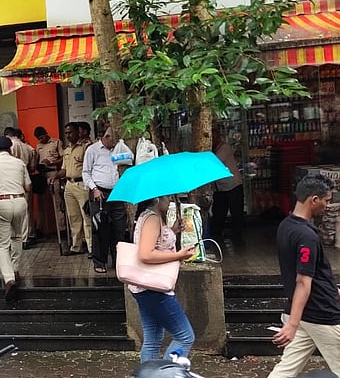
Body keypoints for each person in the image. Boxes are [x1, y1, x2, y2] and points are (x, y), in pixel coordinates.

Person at [269, 175, 340, 378]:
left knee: (286, 369)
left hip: (301, 313)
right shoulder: (306, 236)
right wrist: (291, 325)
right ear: (314, 200)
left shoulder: (286, 226)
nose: (327, 205)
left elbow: (307, 270)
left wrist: (333, 289)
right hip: (322, 314)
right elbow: (302, 280)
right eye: (326, 200)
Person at [130, 195, 195, 362]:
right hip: (155, 288)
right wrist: (178, 255)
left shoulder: (148, 216)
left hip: (144, 287)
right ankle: (167, 373)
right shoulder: (152, 218)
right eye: (167, 198)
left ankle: (149, 374)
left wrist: (172, 231)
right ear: (158, 199)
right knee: (185, 337)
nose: (169, 202)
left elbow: (156, 243)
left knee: (152, 339)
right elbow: (145, 254)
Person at [0, 136, 30, 301]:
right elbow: (28, 186)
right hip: (19, 201)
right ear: (10, 148)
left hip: (1, 202)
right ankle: (16, 269)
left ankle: (9, 278)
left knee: (2, 245)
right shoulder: (20, 163)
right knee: (17, 237)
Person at [82, 127, 128, 273]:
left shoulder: (119, 149)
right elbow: (86, 172)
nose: (114, 143)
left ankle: (118, 261)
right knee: (100, 229)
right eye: (112, 139)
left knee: (119, 228)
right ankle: (100, 261)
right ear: (106, 137)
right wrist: (94, 188)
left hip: (117, 193)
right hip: (100, 193)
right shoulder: (93, 150)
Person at [55, 122, 91, 256]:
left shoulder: (86, 147)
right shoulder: (67, 150)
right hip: (69, 185)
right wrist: (54, 177)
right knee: (73, 217)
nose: (68, 135)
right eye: (66, 133)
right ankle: (76, 246)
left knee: (86, 217)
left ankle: (91, 247)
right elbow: (64, 170)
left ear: (78, 132)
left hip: (82, 185)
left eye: (70, 132)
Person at [35, 126, 67, 253]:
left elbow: (63, 157)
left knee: (57, 202)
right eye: (38, 138)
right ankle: (45, 229)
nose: (41, 140)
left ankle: (62, 229)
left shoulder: (56, 142)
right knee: (43, 204)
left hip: (54, 173)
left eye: (42, 137)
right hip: (43, 175)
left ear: (46, 134)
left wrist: (52, 162)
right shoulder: (38, 146)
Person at [211, 126, 245, 245]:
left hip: (233, 185)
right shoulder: (214, 150)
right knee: (219, 211)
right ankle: (217, 233)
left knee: (236, 212)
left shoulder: (225, 148)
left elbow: (216, 163)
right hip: (220, 188)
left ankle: (238, 236)